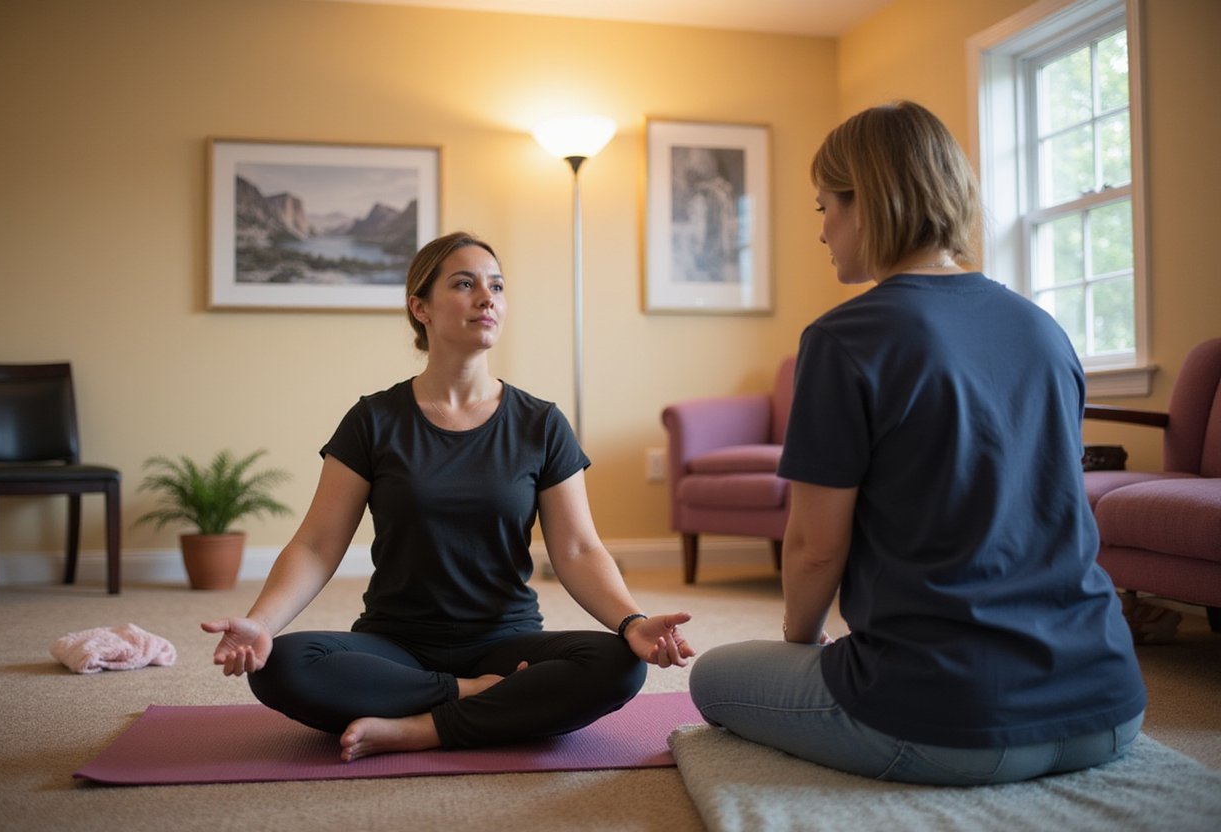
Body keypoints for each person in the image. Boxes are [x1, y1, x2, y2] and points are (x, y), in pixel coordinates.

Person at [688, 101, 1146, 786]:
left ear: (865, 202)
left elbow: (816, 547)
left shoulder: (844, 338)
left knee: (713, 676)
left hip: (953, 723)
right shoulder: (1042, 328)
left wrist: (801, 647)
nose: (822, 232)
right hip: (1108, 709)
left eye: (824, 208)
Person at [203, 231, 693, 762]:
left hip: (506, 644)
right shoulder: (374, 420)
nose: (488, 298)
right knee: (280, 664)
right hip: (397, 643)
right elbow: (318, 545)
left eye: (497, 286)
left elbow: (578, 550)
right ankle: (473, 699)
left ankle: (419, 729)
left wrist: (632, 622)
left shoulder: (541, 423)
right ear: (421, 308)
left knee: (620, 664)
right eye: (465, 284)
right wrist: (263, 623)